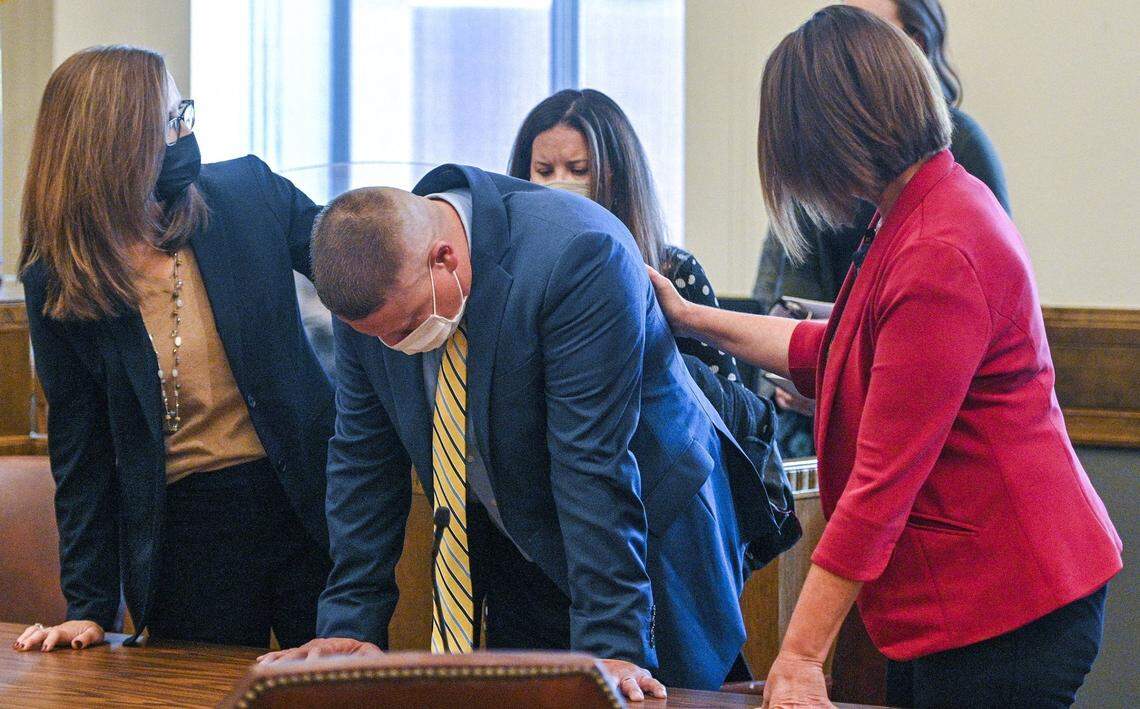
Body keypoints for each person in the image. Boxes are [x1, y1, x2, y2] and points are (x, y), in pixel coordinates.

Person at [648, 7, 1121, 708]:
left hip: (1012, 599)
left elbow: (880, 486)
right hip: (973, 595)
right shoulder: (918, 209)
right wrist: (690, 318)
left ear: (830, 137)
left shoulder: (939, 247)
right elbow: (833, 348)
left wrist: (801, 657)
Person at [256, 164, 795, 699]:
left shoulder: (579, 254)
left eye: (405, 327)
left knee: (650, 695)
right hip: (515, 534)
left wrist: (613, 644)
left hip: (648, 536)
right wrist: (350, 624)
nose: (393, 345)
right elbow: (362, 462)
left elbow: (593, 464)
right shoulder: (375, 290)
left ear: (444, 258)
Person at [12, 46, 332, 653]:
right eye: (169, 119)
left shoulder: (246, 194)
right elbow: (80, 454)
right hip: (185, 531)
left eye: (183, 112)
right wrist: (88, 608)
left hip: (303, 499)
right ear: (115, 142)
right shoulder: (57, 277)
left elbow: (358, 270)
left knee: (335, 691)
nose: (186, 134)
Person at [753, 0, 1012, 458]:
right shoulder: (836, 164)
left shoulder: (960, 158)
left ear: (914, 45)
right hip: (819, 428)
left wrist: (838, 379)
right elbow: (791, 302)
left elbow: (945, 348)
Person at [509, 88, 739, 381]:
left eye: (579, 170)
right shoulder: (515, 274)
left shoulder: (673, 271)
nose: (559, 183)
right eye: (544, 170)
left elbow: (728, 400)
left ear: (616, 176)